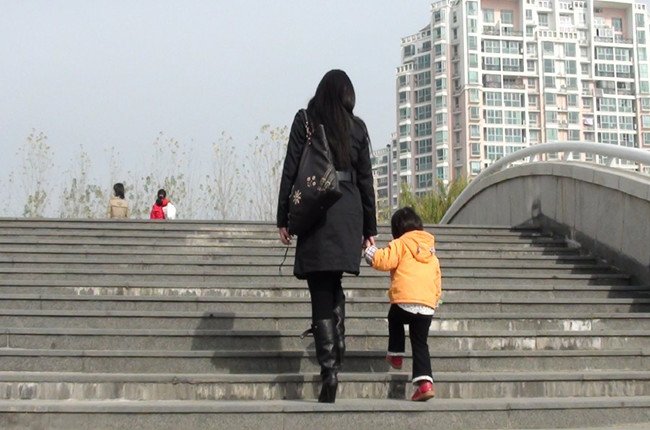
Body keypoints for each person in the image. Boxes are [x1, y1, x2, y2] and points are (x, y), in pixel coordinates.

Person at [276, 69, 377, 403]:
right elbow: (366, 181)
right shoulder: (357, 127)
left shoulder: (305, 120)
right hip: (348, 210)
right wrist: (370, 228)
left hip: (317, 210)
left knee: (320, 288)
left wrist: (283, 217)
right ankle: (339, 340)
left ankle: (329, 371)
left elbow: (291, 169)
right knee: (333, 281)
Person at [364, 207, 442, 402]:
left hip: (404, 301)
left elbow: (383, 260)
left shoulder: (401, 244)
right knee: (420, 343)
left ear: (397, 229)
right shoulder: (431, 253)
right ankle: (425, 385)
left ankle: (396, 354)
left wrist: (369, 250)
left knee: (395, 318)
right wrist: (433, 301)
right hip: (427, 305)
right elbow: (437, 280)